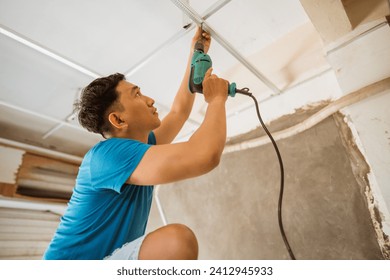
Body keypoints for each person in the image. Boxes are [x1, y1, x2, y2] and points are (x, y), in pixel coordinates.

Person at [43, 27, 228, 260]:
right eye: (137, 94)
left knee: (176, 244)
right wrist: (217, 100)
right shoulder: (106, 155)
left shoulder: (140, 146)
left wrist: (194, 54)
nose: (150, 99)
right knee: (175, 242)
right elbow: (205, 155)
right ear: (118, 119)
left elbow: (179, 112)